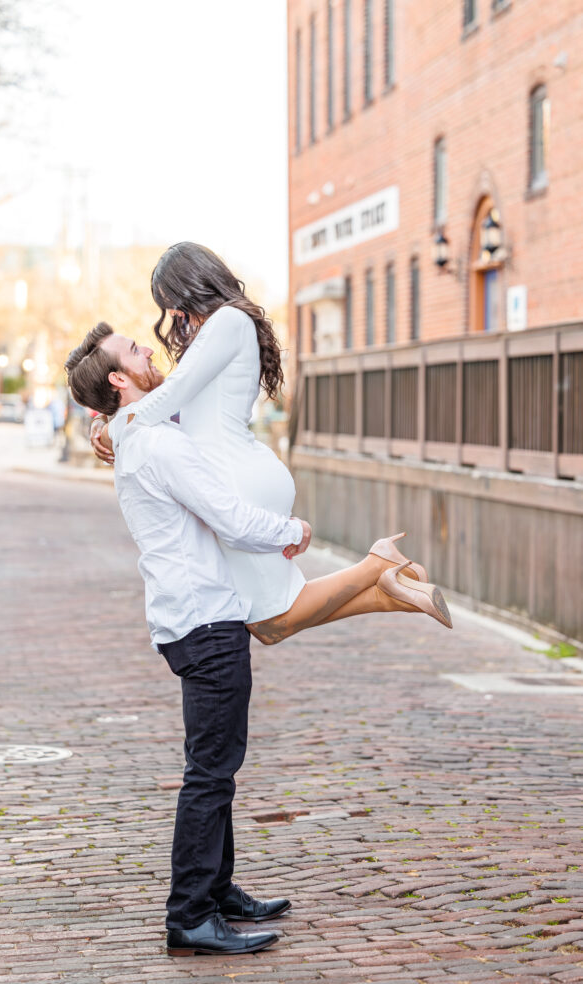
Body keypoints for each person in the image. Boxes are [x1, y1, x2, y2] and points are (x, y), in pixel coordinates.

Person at [65, 325, 307, 957]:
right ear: (118, 379)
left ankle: (218, 892)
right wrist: (291, 530)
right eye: (134, 351)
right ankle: (190, 915)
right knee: (210, 772)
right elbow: (228, 515)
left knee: (216, 765)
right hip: (205, 620)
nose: (149, 350)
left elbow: (180, 405)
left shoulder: (136, 431)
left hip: (191, 617)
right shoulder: (156, 444)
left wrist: (103, 424)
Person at [89, 242, 452, 637]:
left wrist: (112, 430)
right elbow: (172, 409)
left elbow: (170, 396)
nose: (174, 314)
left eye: (173, 302)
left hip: (235, 477)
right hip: (233, 472)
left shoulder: (227, 322)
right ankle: (387, 592)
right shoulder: (220, 330)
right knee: (267, 626)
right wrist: (106, 422)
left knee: (270, 616)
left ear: (193, 285)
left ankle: (379, 564)